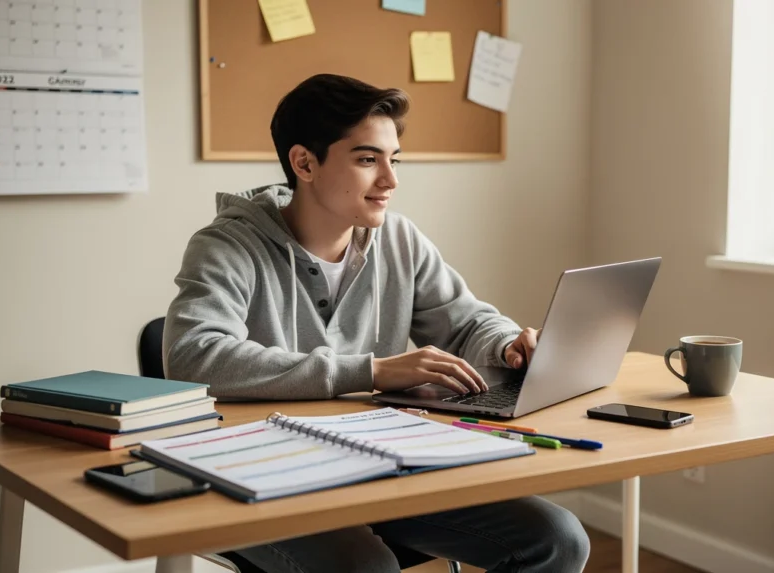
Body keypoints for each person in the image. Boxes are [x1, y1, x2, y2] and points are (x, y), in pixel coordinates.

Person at [163, 73, 590, 573]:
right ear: (304, 162)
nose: (390, 180)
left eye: (394, 159)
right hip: (267, 477)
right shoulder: (229, 246)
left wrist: (507, 346)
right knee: (363, 567)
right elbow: (194, 358)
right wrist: (372, 371)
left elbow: (464, 323)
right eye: (368, 159)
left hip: (381, 461)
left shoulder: (399, 240)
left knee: (557, 539)